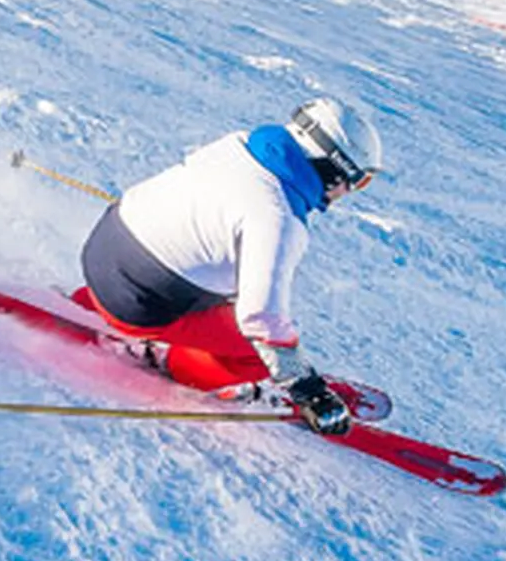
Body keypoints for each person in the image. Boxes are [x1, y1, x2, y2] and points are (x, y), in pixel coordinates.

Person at [71, 97, 385, 435]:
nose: (348, 192)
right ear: (334, 169)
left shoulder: (238, 145)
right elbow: (262, 318)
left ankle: (89, 301)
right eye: (357, 182)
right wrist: (307, 390)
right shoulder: (279, 220)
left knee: (221, 270)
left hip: (102, 248)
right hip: (134, 303)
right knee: (255, 350)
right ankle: (174, 362)